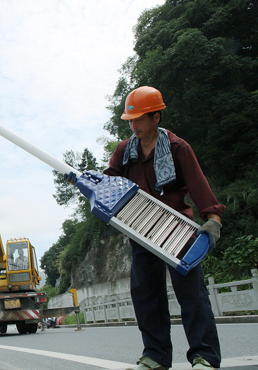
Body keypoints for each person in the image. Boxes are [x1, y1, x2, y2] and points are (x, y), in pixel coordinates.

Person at [99, 86, 225, 370]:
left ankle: (204, 357)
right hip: (141, 230)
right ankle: (155, 356)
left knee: (191, 294)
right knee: (146, 295)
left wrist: (212, 219)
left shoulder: (178, 147)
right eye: (130, 120)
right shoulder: (124, 151)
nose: (134, 125)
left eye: (140, 119)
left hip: (176, 229)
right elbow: (110, 185)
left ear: (156, 117)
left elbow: (197, 184)